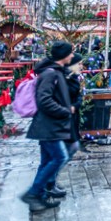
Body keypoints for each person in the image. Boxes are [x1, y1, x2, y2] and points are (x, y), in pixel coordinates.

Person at [21, 41, 76, 212]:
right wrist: (65, 110)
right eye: (71, 53)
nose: (73, 56)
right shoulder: (50, 74)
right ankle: (33, 193)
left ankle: (40, 195)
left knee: (47, 161)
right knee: (60, 158)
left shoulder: (55, 72)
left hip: (51, 125)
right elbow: (44, 100)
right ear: (64, 55)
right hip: (48, 126)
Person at [45, 53, 85, 199]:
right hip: (62, 120)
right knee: (62, 153)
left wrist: (76, 104)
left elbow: (78, 96)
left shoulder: (72, 78)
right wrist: (70, 107)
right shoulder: (62, 78)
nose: (81, 66)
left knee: (67, 150)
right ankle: (48, 182)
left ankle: (49, 181)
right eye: (79, 63)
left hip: (70, 118)